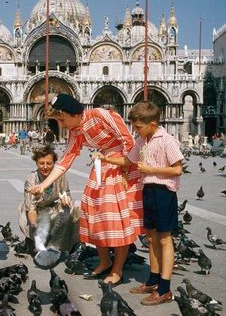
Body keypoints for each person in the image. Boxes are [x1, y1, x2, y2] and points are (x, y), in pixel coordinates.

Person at [29, 94, 143, 286]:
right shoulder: (77, 131)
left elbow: (128, 140)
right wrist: (43, 185)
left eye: (62, 119)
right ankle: (105, 260)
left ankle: (117, 268)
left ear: (72, 113)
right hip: (101, 164)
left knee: (116, 218)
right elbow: (66, 159)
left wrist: (125, 171)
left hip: (121, 164)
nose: (62, 125)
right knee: (93, 212)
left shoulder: (100, 115)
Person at [93, 101, 183, 305]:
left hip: (164, 192)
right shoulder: (143, 140)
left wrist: (151, 170)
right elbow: (128, 161)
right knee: (151, 238)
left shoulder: (167, 140)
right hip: (148, 190)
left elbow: (177, 170)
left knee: (164, 239)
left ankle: (165, 289)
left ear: (152, 124)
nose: (136, 130)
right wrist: (105, 158)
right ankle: (152, 280)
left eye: (138, 127)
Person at [18, 145, 74, 254]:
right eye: (41, 163)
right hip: (36, 211)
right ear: (36, 163)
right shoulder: (32, 179)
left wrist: (65, 201)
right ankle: (32, 240)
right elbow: (31, 209)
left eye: (49, 163)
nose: (45, 167)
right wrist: (36, 227)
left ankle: (71, 243)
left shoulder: (60, 176)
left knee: (76, 206)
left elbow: (66, 194)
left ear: (54, 163)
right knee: (24, 210)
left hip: (51, 208)